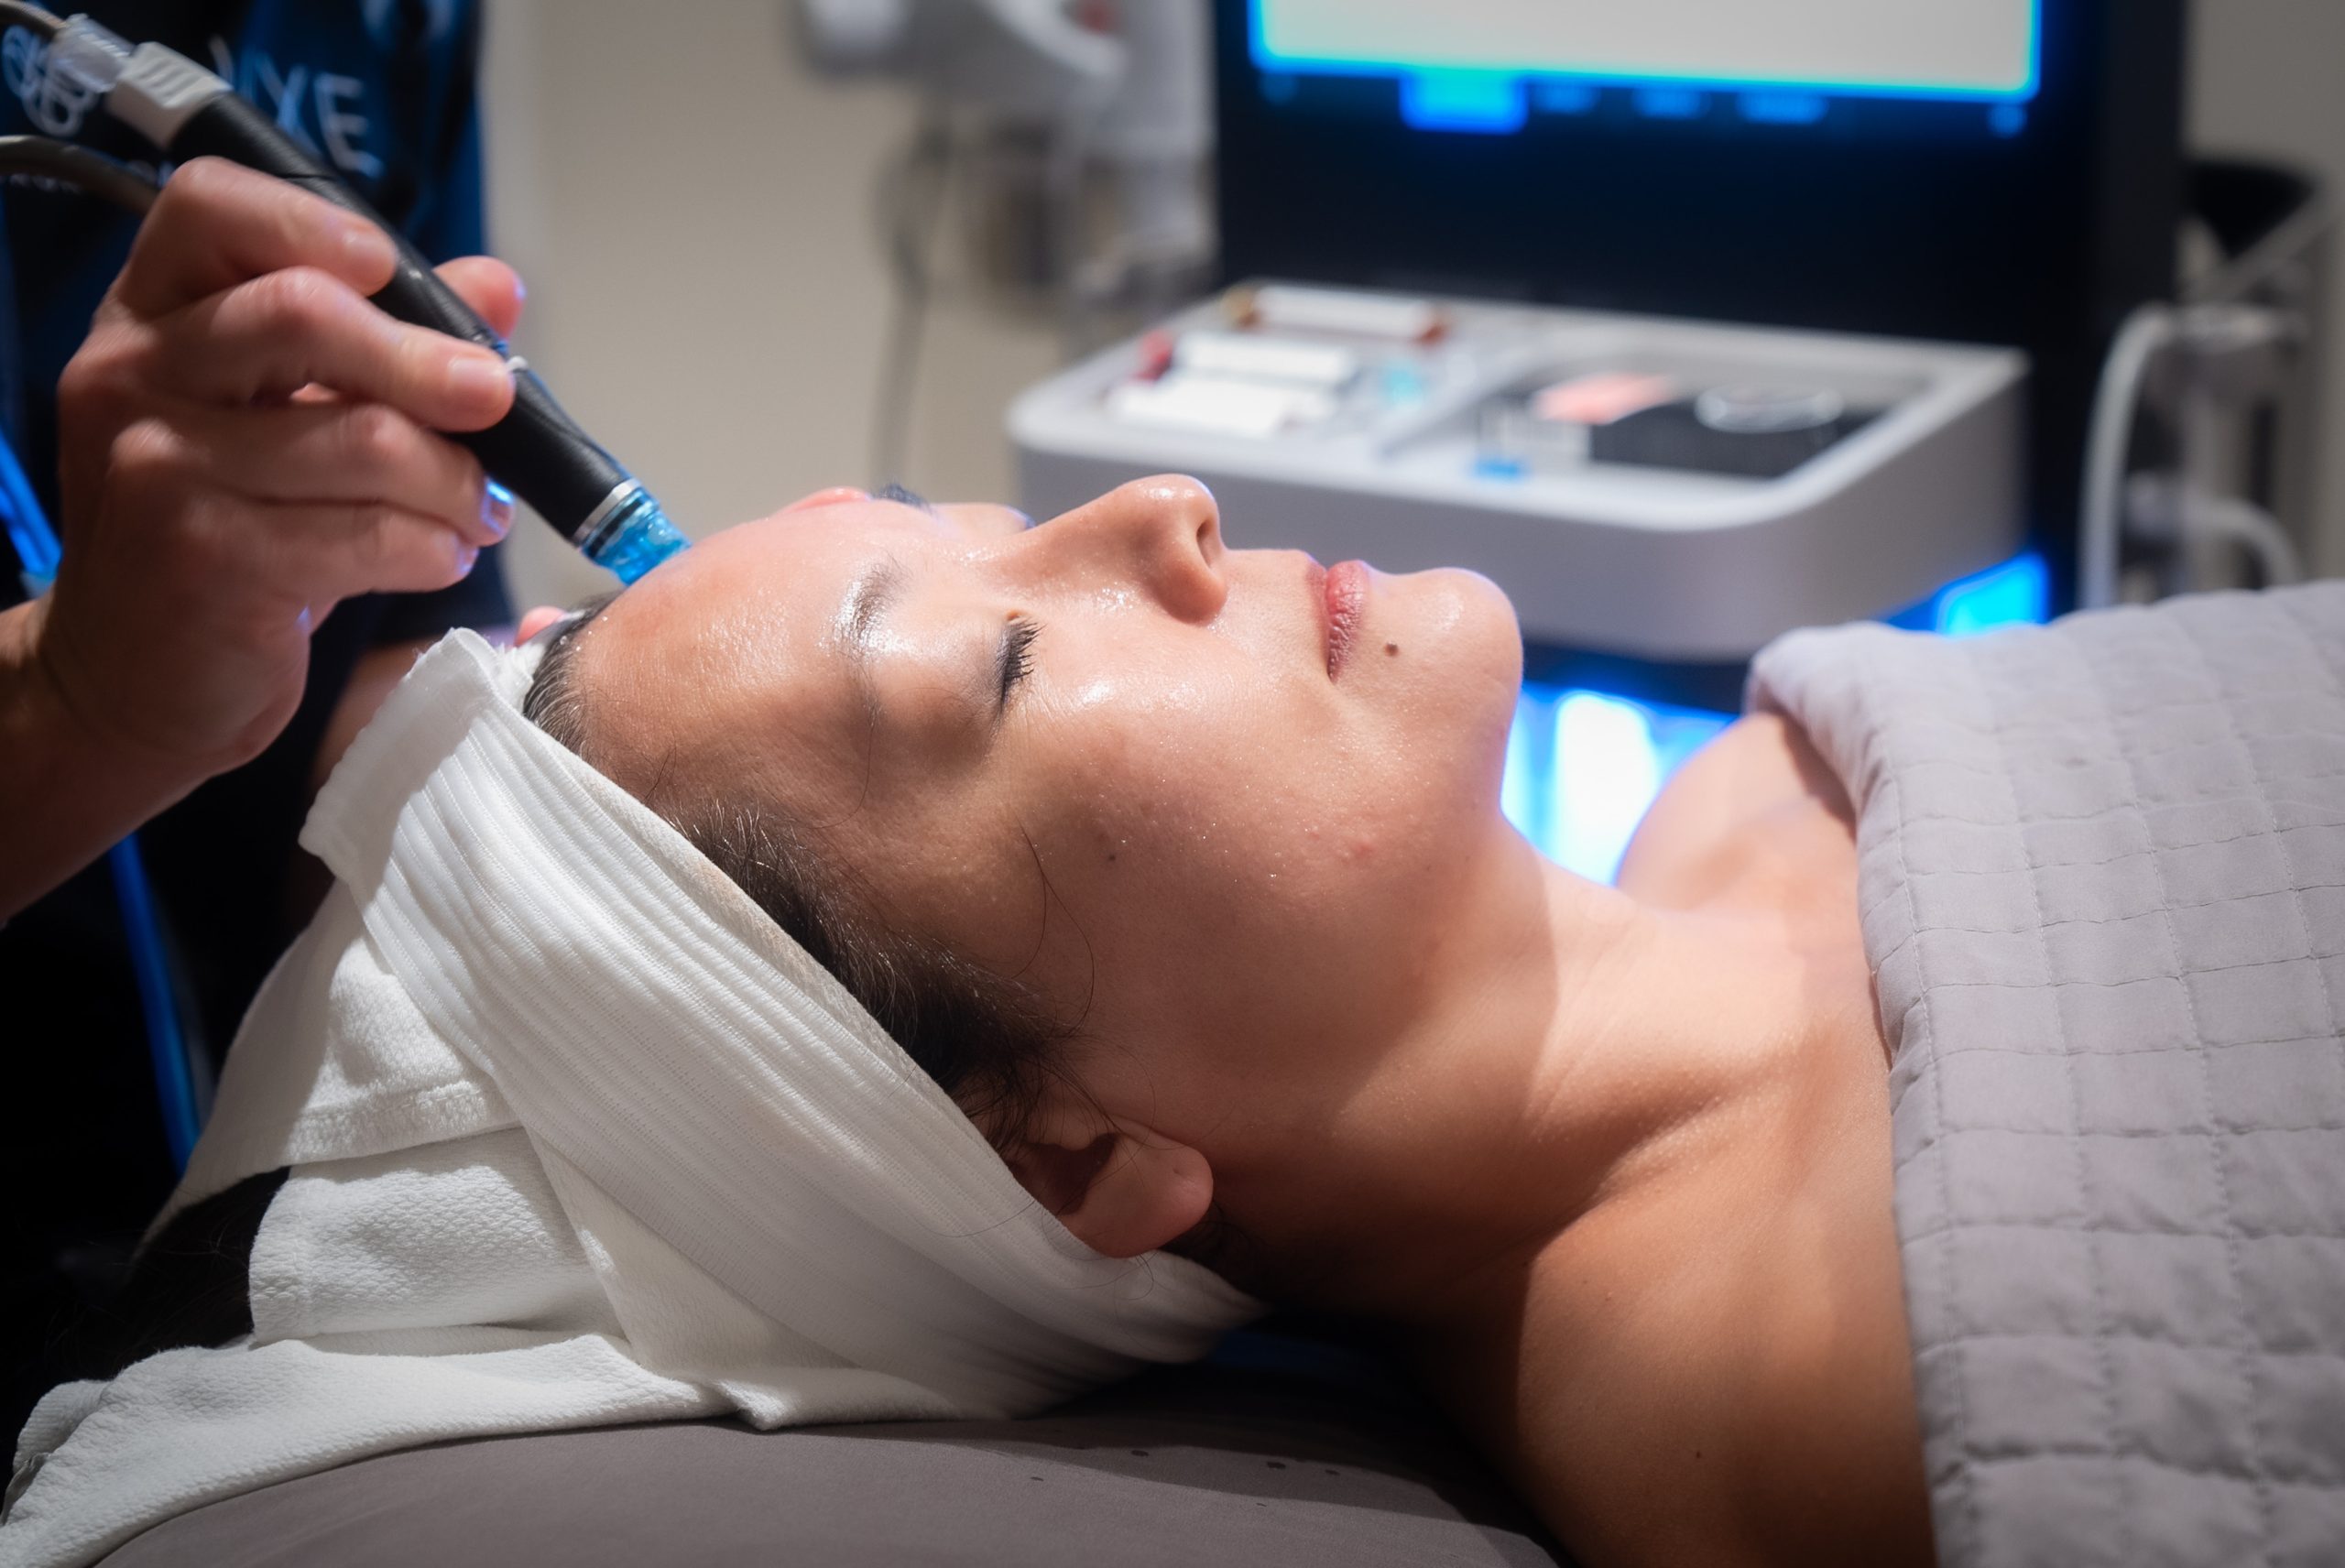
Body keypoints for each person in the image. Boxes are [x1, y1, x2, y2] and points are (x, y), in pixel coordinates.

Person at [506, 478, 1937, 1566]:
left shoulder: (1761, 782)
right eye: (1002, 661)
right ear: (1063, 1158)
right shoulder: (1857, 1385)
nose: (1158, 508)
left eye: (986, 519)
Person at [1, 0, 516, 1440]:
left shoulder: (397, 24)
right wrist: (72, 706)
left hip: (184, 1262)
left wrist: (496, 788)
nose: (1171, 514)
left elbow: (385, 632)